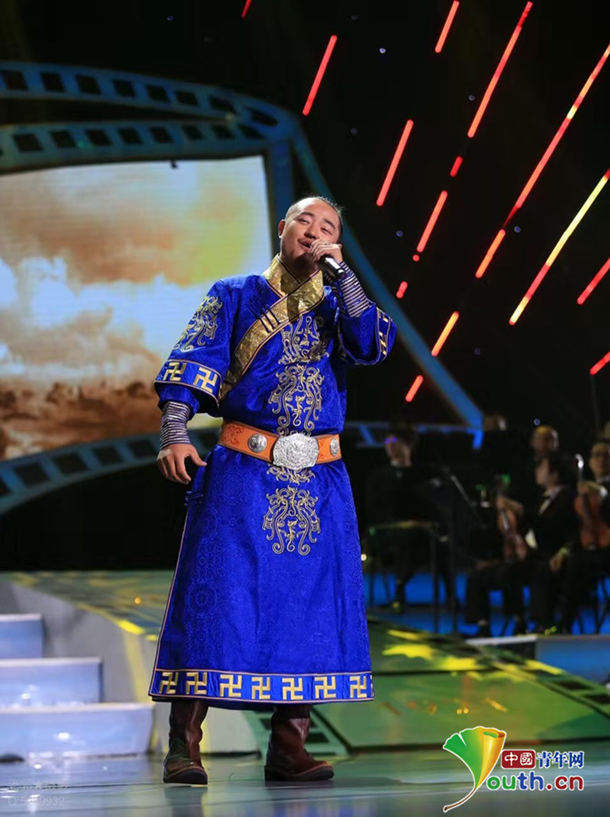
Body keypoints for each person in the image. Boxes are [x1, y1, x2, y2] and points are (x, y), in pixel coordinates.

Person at [149, 196, 396, 784]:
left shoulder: (341, 304)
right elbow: (191, 362)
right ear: (282, 228)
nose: (314, 232)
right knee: (217, 601)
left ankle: (289, 747)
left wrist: (344, 277)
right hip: (243, 471)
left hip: (319, 481)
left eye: (328, 227)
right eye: (305, 221)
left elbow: (372, 345)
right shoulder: (233, 294)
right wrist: (175, 431)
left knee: (308, 609)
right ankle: (184, 745)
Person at [465, 452, 578, 636]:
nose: (537, 470)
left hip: (549, 555)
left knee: (521, 571)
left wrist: (520, 510)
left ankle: (539, 623)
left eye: (542, 467)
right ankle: (483, 625)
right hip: (530, 554)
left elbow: (551, 527)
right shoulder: (541, 498)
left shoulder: (568, 498)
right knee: (479, 575)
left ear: (555, 474)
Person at [364, 421, 453, 611]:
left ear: (409, 444)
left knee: (442, 540)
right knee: (410, 538)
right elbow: (376, 510)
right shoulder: (379, 477)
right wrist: (403, 524)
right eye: (387, 441)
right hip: (389, 530)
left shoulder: (422, 475)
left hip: (421, 528)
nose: (390, 446)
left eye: (395, 441)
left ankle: (451, 595)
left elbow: (429, 506)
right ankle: (399, 589)